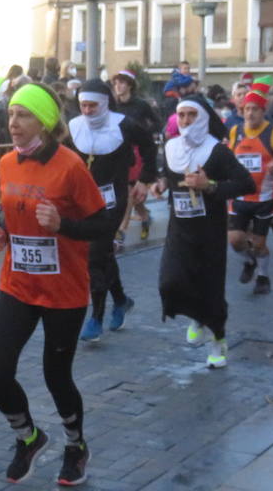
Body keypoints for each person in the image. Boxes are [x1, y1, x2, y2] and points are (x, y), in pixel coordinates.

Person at [0, 83, 107, 485]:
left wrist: (64, 225)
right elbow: (11, 211)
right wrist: (1, 232)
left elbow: (103, 223)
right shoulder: (5, 164)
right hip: (17, 283)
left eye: (24, 116)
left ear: (45, 121)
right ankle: (29, 437)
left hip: (63, 290)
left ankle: (76, 445)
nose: (13, 123)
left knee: (56, 375)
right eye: (11, 114)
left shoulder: (71, 166)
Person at [152, 97, 254, 367]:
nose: (185, 121)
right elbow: (167, 173)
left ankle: (218, 340)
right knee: (170, 281)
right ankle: (197, 316)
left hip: (209, 232)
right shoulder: (172, 146)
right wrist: (162, 183)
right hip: (179, 229)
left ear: (203, 119)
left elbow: (247, 183)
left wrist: (209, 185)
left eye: (191, 116)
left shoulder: (217, 151)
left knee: (210, 288)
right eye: (181, 115)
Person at [67, 78, 156, 342]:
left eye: (93, 106)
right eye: (83, 105)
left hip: (112, 200)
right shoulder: (73, 126)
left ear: (105, 103)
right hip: (83, 200)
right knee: (103, 253)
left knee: (95, 256)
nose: (87, 111)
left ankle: (96, 317)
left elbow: (150, 145)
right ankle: (120, 300)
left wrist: (145, 178)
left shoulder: (124, 124)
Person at [226, 80, 273, 295]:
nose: (250, 114)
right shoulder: (236, 131)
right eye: (247, 109)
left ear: (263, 111)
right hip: (240, 197)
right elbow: (229, 158)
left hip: (265, 198)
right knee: (235, 241)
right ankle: (249, 262)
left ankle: (263, 277)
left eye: (255, 109)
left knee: (258, 244)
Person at [110, 69, 159, 244]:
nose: (118, 86)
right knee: (129, 191)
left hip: (136, 151)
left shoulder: (140, 105)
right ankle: (145, 216)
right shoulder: (112, 105)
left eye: (122, 82)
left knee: (130, 191)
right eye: (116, 83)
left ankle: (121, 230)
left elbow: (156, 122)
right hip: (118, 151)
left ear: (129, 85)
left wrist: (145, 133)